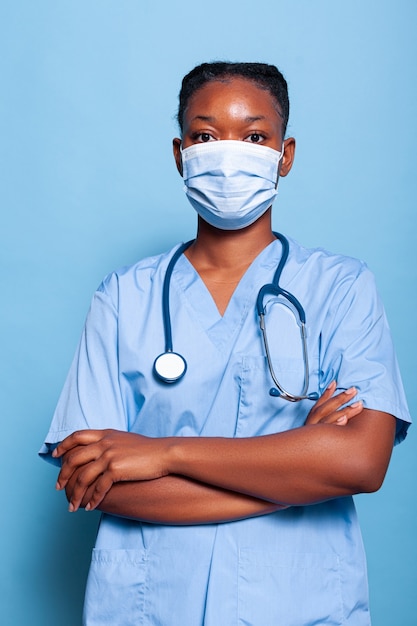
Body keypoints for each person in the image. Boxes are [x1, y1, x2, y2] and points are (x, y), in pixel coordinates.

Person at [40, 61, 411, 625]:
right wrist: (299, 469)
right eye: (206, 136)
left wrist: (163, 452)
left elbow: (361, 462)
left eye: (255, 136)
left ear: (285, 155)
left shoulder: (340, 287)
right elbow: (92, 482)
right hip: (151, 604)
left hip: (296, 603)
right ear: (179, 152)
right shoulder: (124, 297)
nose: (229, 154)